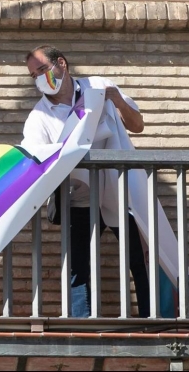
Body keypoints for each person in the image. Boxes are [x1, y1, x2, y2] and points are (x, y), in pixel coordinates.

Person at [21, 45, 154, 318]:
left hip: (120, 194)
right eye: (34, 75)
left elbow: (137, 125)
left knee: (139, 261)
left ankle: (152, 321)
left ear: (62, 64)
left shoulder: (98, 88)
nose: (39, 79)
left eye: (43, 70)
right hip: (78, 200)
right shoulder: (38, 116)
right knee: (78, 268)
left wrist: (116, 98)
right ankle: (81, 326)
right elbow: (34, 157)